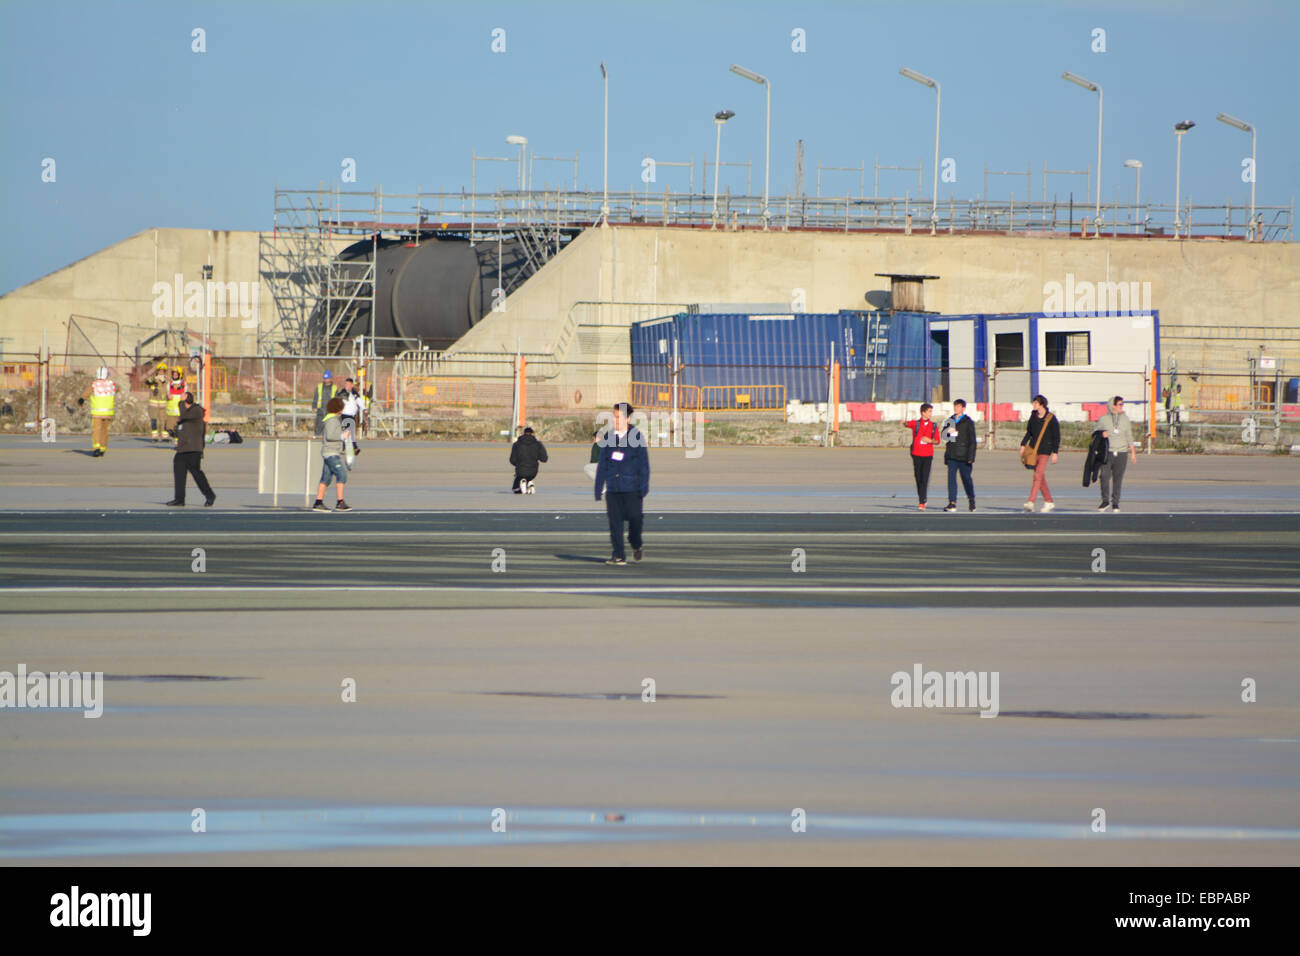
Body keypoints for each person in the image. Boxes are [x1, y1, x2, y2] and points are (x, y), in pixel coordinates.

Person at [594, 402, 650, 565]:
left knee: (635, 520)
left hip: (632, 488)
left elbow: (644, 465)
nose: (615, 420)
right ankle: (618, 555)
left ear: (628, 418)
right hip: (613, 488)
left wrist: (643, 487)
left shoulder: (637, 437)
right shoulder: (609, 437)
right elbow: (602, 463)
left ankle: (636, 543)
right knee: (615, 523)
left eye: (619, 417)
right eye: (614, 416)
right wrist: (598, 488)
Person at [166, 392, 216, 507]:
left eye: (184, 396)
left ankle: (210, 495)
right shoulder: (183, 414)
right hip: (182, 449)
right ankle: (179, 499)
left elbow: (184, 415)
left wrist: (181, 406)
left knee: (197, 474)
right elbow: (182, 423)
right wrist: (174, 433)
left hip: (194, 448)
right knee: (179, 474)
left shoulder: (197, 410)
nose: (181, 398)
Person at [1096, 395, 1138, 512]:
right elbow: (1095, 433)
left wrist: (1133, 452)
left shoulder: (1125, 419)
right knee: (1104, 476)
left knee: (1117, 478)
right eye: (1119, 404)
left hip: (1122, 452)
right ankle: (1105, 501)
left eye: (1122, 404)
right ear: (1113, 406)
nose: (1121, 406)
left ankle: (1115, 503)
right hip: (1107, 452)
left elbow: (1129, 436)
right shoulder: (1103, 419)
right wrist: (1101, 434)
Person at [1020, 394, 1060, 513]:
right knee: (1040, 477)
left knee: (1037, 476)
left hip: (1045, 451)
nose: (1034, 405)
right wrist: (1023, 445)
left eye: (1036, 403)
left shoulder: (1051, 418)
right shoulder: (1033, 416)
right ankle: (1049, 501)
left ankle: (1031, 502)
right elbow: (1029, 432)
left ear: (1042, 404)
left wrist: (1055, 452)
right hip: (1033, 450)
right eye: (1033, 403)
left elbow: (1056, 436)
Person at [312, 396, 352, 512]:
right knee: (342, 475)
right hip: (331, 454)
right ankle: (340, 502)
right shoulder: (332, 420)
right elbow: (330, 436)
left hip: (331, 452)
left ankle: (318, 502)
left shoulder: (333, 419)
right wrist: (343, 436)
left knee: (326, 478)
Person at [902, 403, 940, 510]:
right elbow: (907, 424)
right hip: (916, 454)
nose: (930, 413)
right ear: (923, 412)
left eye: (931, 411)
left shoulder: (933, 426)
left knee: (925, 477)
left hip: (928, 455)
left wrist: (930, 440)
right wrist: (904, 422)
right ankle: (922, 497)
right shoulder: (916, 424)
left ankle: (922, 501)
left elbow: (937, 441)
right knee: (918, 477)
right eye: (929, 411)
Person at [941, 399, 977, 512]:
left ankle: (971, 500)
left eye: (958, 406)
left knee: (966, 479)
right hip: (952, 455)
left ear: (963, 408)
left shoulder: (968, 422)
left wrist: (971, 457)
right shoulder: (950, 420)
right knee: (951, 479)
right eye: (955, 406)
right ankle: (952, 503)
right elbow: (943, 437)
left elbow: (972, 441)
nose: (956, 408)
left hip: (964, 456)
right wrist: (947, 432)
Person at [77, 366, 116, 457]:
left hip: (97, 413)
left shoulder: (94, 385)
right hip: (108, 413)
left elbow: (86, 394)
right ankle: (103, 448)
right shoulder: (112, 385)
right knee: (105, 431)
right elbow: (118, 388)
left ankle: (96, 449)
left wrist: (81, 399)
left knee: (96, 431)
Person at [509, 426, 548, 494]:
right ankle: (529, 483)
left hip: (520, 470)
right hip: (533, 471)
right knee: (528, 476)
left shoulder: (516, 444)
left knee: (516, 487)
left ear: (523, 433)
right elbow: (544, 459)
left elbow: (512, 460)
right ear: (532, 434)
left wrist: (517, 464)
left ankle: (524, 482)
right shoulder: (538, 444)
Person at [143, 362, 169, 441]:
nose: (161, 372)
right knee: (154, 420)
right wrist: (152, 382)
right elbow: (147, 381)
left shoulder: (167, 380)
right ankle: (155, 436)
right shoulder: (154, 378)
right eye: (160, 371)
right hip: (153, 404)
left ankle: (165, 437)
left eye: (163, 371)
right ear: (157, 371)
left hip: (163, 404)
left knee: (164, 420)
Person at [338, 377, 363, 456]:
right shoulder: (343, 393)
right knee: (348, 431)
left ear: (352, 385)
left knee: (348, 431)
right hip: (344, 415)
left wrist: (364, 408)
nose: (347, 386)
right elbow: (338, 401)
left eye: (349, 384)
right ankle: (352, 447)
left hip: (352, 415)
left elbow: (359, 401)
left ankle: (347, 447)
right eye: (346, 384)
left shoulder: (354, 393)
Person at [312, 370, 338, 436]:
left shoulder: (334, 388)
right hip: (321, 409)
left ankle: (328, 438)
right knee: (319, 425)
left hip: (330, 410)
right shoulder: (320, 386)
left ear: (330, 378)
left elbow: (336, 399)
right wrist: (314, 406)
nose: (326, 380)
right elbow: (316, 397)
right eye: (325, 378)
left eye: (327, 378)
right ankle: (317, 436)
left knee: (329, 426)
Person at [165, 369, 186, 441]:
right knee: (169, 428)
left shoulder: (184, 384)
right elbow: (165, 394)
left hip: (180, 411)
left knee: (179, 427)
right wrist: (167, 396)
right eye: (173, 374)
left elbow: (188, 395)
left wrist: (185, 397)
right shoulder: (169, 384)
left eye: (176, 374)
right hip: (170, 411)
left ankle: (178, 443)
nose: (175, 376)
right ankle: (175, 438)